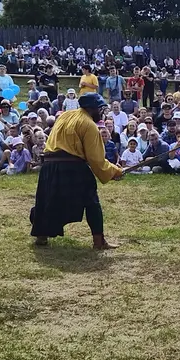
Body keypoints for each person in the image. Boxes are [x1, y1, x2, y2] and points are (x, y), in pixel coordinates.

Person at [30, 93, 123, 249]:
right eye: (100, 109)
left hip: (48, 166)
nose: (101, 113)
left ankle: (42, 236)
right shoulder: (89, 125)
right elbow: (96, 159)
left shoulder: (64, 116)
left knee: (47, 201)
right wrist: (115, 171)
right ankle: (99, 242)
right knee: (92, 201)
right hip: (71, 166)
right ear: (92, 109)